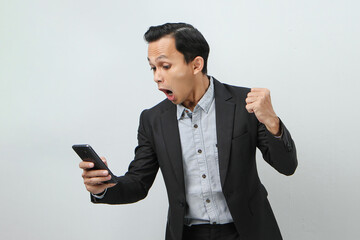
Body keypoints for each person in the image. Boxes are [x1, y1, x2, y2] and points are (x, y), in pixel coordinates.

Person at [79, 23, 297, 240]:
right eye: (153, 68)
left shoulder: (245, 104)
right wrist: (103, 186)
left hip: (248, 231)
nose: (156, 76)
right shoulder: (152, 120)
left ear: (196, 65)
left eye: (165, 66)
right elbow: (138, 183)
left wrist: (272, 122)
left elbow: (287, 166)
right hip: (188, 234)